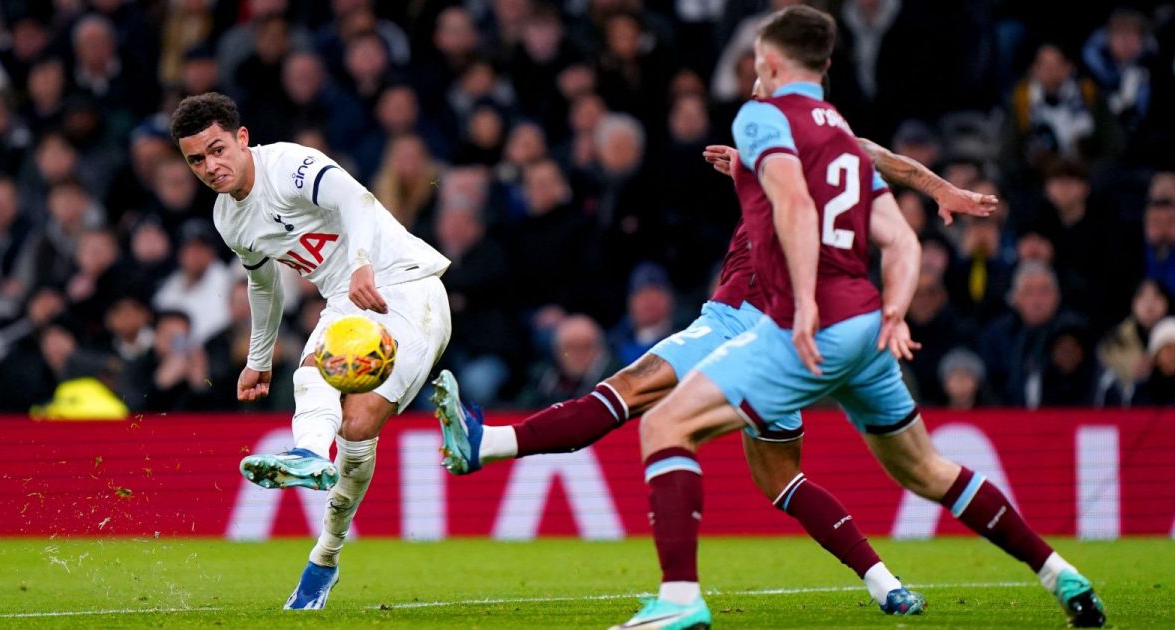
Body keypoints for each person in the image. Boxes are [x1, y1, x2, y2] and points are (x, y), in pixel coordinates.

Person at [431, 56, 997, 626]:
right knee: (783, 481)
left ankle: (489, 447)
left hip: (740, 320)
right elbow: (869, 169)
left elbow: (880, 161)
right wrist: (937, 188)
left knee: (631, 393)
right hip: (784, 335)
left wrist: (939, 188)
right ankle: (887, 585)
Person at [602, 8, 1102, 628]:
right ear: (829, 66)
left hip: (802, 329)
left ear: (773, 64)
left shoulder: (761, 120)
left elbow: (790, 209)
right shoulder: (839, 138)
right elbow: (902, 240)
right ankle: (1061, 573)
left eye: (759, 59)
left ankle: (678, 602)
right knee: (928, 470)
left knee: (665, 426)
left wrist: (804, 304)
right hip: (866, 326)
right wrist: (899, 298)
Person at [169, 92, 451, 610]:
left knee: (345, 405)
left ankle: (324, 537)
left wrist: (362, 262)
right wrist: (258, 356)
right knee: (345, 416)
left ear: (242, 138)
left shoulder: (292, 165)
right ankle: (318, 518)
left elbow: (356, 201)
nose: (210, 166)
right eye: (196, 160)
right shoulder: (228, 220)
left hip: (406, 286)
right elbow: (264, 285)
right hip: (348, 301)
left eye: (216, 150)